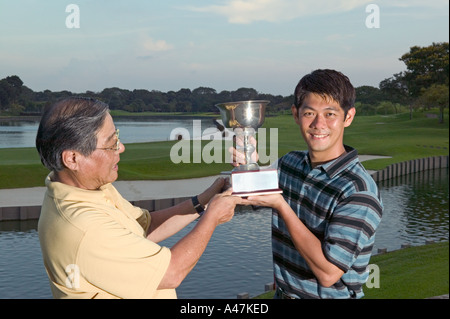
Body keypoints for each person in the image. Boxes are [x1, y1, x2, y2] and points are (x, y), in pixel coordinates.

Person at [36, 97, 243, 299]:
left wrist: (205, 201)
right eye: (111, 144)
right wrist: (212, 217)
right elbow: (171, 273)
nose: (122, 148)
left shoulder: (89, 189)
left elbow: (144, 227)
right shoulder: (85, 227)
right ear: (73, 158)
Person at [232, 69, 383, 299]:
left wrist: (282, 206)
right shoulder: (289, 163)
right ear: (296, 114)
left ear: (348, 117)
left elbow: (328, 272)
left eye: (330, 114)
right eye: (310, 113)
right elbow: (249, 198)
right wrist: (246, 166)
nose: (318, 124)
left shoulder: (359, 191)